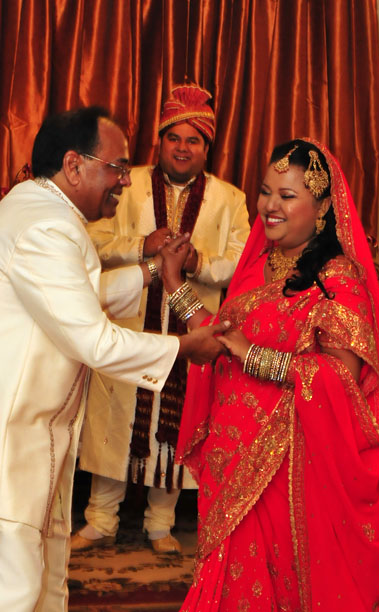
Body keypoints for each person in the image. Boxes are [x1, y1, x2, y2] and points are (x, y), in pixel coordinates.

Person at [0, 106, 228, 612]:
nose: (125, 181)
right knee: (4, 599)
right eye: (117, 168)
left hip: (18, 448)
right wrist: (185, 347)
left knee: (40, 594)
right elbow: (94, 340)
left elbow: (79, 298)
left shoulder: (41, 211)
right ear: (74, 165)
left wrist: (153, 272)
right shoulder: (47, 227)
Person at [161, 139, 379, 611]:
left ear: (322, 208)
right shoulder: (259, 266)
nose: (270, 206)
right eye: (265, 191)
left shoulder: (338, 280)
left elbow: (340, 377)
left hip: (286, 469)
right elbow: (219, 340)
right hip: (230, 458)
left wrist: (255, 356)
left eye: (287, 195)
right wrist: (175, 284)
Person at [72, 84, 250, 554]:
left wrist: (198, 262)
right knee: (114, 421)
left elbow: (242, 261)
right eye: (174, 137)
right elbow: (92, 241)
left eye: (193, 140)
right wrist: (142, 247)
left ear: (207, 148)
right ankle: (100, 519)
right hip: (129, 324)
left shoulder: (229, 199)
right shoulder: (124, 184)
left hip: (191, 327)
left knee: (178, 422)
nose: (182, 148)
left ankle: (160, 523)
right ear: (160, 141)